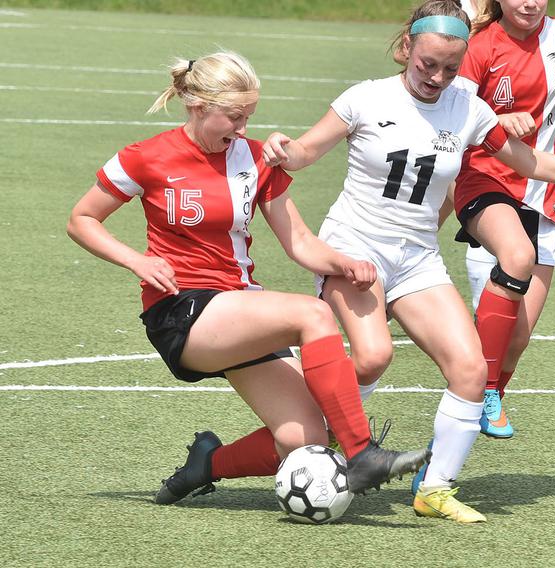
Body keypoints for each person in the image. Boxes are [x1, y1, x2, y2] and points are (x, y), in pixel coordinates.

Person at [262, 0, 555, 523]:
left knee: (471, 369)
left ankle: (435, 490)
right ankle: (322, 438)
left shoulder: (467, 106)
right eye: (428, 64)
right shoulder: (365, 97)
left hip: (418, 256)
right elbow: (305, 153)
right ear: (407, 48)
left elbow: (526, 159)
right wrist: (278, 149)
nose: (438, 77)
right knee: (375, 356)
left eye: (451, 68)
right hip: (356, 246)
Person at [65, 51, 430, 506]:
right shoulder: (146, 157)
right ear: (198, 106)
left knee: (306, 438)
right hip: (183, 310)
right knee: (313, 314)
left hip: (240, 308)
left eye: (249, 117)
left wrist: (341, 262)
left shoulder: (257, 159)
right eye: (234, 117)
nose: (242, 129)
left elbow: (298, 240)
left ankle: (206, 464)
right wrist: (137, 261)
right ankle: (363, 455)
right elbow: (82, 220)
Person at [447, 0, 555, 440]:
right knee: (512, 271)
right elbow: (453, 111)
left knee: (518, 337)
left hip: (545, 193)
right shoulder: (481, 44)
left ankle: (483, 391)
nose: (529, 2)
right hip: (488, 183)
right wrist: (495, 119)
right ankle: (474, 394)